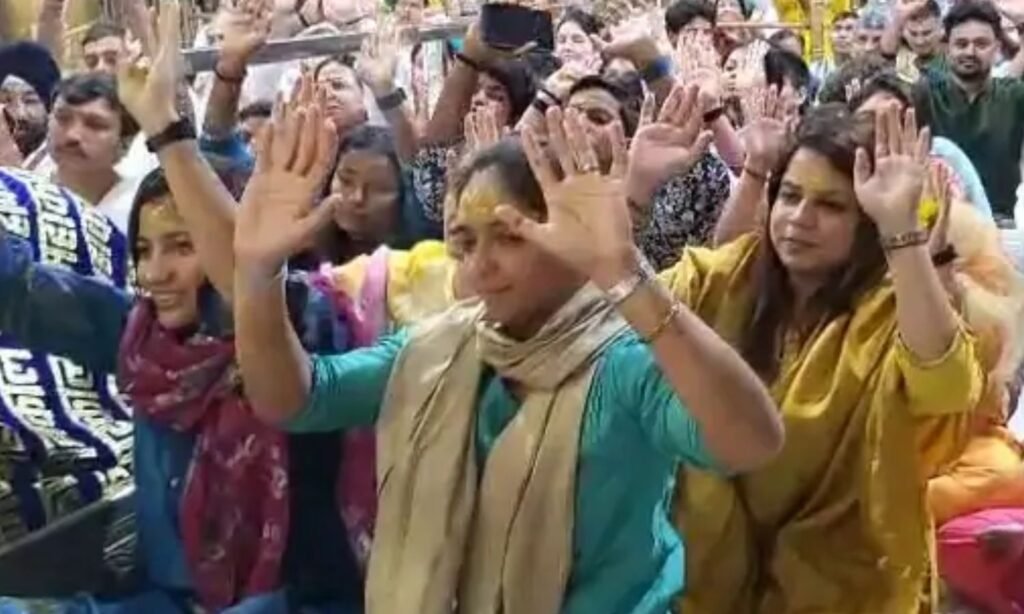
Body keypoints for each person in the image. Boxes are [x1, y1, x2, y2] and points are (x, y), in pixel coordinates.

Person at [231, 74, 785, 611]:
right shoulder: (439, 348)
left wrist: (622, 271)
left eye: (510, 236)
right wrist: (257, 274)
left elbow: (751, 443)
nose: (480, 266)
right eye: (464, 242)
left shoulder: (623, 362)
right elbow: (295, 399)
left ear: (571, 233)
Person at [0, 158, 367, 613]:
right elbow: (23, 292)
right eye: (143, 248)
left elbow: (253, 292)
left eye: (182, 246)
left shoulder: (305, 337)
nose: (155, 273)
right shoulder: (144, 340)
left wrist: (169, 133)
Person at [667, 103, 983, 613]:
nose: (799, 219)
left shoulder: (893, 306)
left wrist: (902, 232)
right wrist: (633, 196)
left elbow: (946, 383)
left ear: (866, 222)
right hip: (704, 577)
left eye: (831, 206)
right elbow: (615, 320)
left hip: (846, 585)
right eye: (789, 196)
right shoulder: (727, 277)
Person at [915, 0, 1024, 228]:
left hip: (1003, 227)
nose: (970, 52)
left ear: (996, 48)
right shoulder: (925, 93)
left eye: (981, 44)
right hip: (939, 226)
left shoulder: (1014, 96)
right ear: (947, 48)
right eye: (961, 44)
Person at [45, 73, 141, 233]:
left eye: (95, 125)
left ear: (125, 141)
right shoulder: (22, 194)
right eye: (62, 118)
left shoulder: (140, 211)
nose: (72, 135)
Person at [880, 0, 945, 81]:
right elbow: (887, 51)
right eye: (913, 33)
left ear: (941, 29)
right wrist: (899, 19)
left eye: (927, 33)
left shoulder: (953, 55)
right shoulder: (899, 53)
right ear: (903, 32)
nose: (920, 41)